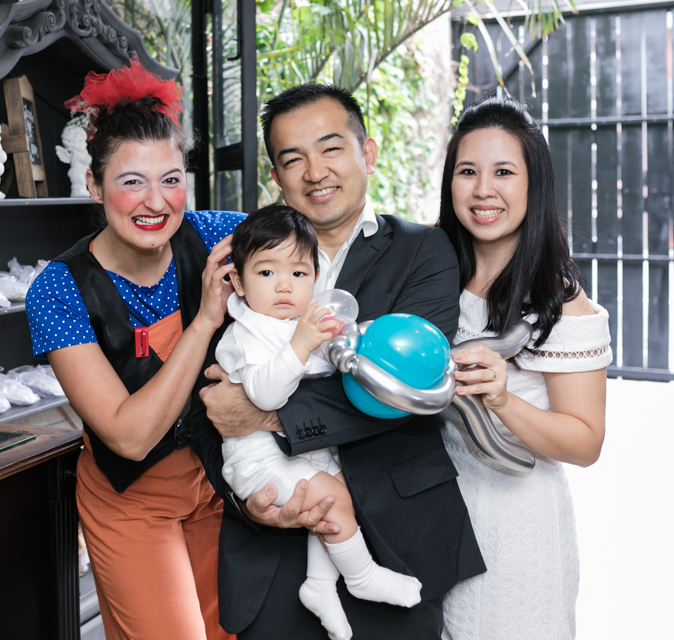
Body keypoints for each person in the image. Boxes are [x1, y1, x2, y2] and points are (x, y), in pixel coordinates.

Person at [195, 83, 485, 640]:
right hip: (272, 539)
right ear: (276, 177)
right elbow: (209, 401)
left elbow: (401, 391)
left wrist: (263, 413)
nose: (315, 172)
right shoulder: (246, 257)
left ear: (367, 153)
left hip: (398, 535)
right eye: (292, 159)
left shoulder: (424, 251)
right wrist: (247, 498)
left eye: (330, 148)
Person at [24, 59, 242, 640]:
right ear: (95, 186)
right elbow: (129, 436)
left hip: (219, 483)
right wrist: (204, 321)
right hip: (132, 501)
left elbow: (311, 242)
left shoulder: (216, 234)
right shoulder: (59, 289)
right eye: (131, 182)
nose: (156, 202)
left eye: (171, 179)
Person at [436, 97, 611, 640]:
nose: (483, 190)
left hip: (516, 535)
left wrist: (503, 400)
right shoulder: (430, 275)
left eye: (504, 172)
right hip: (433, 526)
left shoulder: (560, 302)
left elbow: (585, 442)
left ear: (535, 185)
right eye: (468, 171)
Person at [215, 204, 424, 640]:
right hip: (259, 462)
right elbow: (264, 395)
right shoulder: (246, 333)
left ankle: (320, 584)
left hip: (304, 454)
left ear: (316, 277)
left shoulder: (297, 321)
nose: (284, 286)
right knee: (330, 496)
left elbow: (333, 362)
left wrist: (352, 335)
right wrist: (302, 343)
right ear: (238, 281)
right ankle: (361, 576)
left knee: (334, 498)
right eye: (266, 273)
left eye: (298, 273)